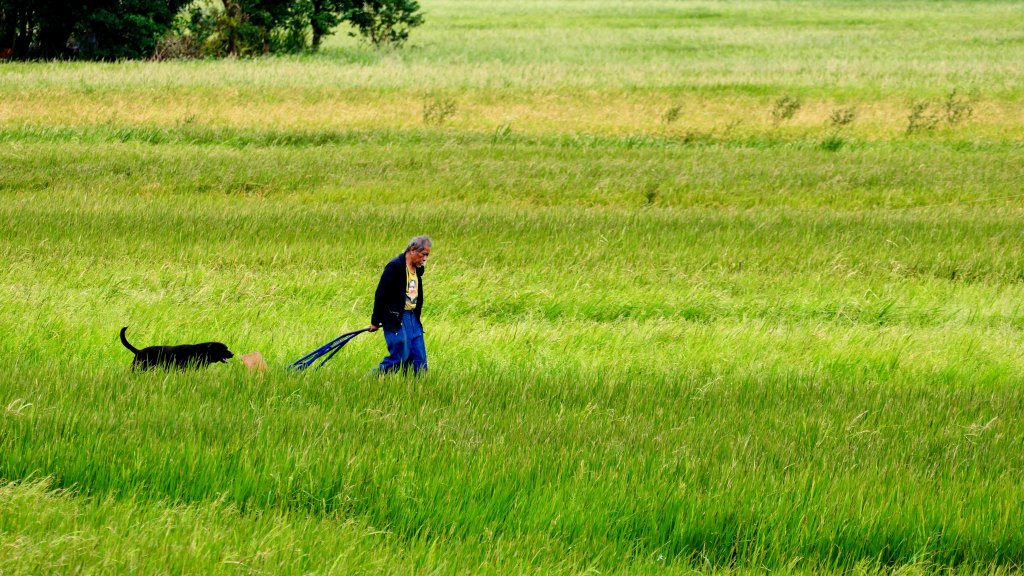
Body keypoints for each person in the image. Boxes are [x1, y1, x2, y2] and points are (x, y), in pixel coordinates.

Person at [368, 236, 431, 374]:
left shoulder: (418, 269)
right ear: (413, 250)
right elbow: (381, 294)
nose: (425, 259)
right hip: (395, 317)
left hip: (412, 317)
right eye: (423, 254)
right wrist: (375, 321)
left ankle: (414, 389)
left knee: (419, 362)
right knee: (401, 356)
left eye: (427, 255)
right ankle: (371, 378)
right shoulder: (395, 266)